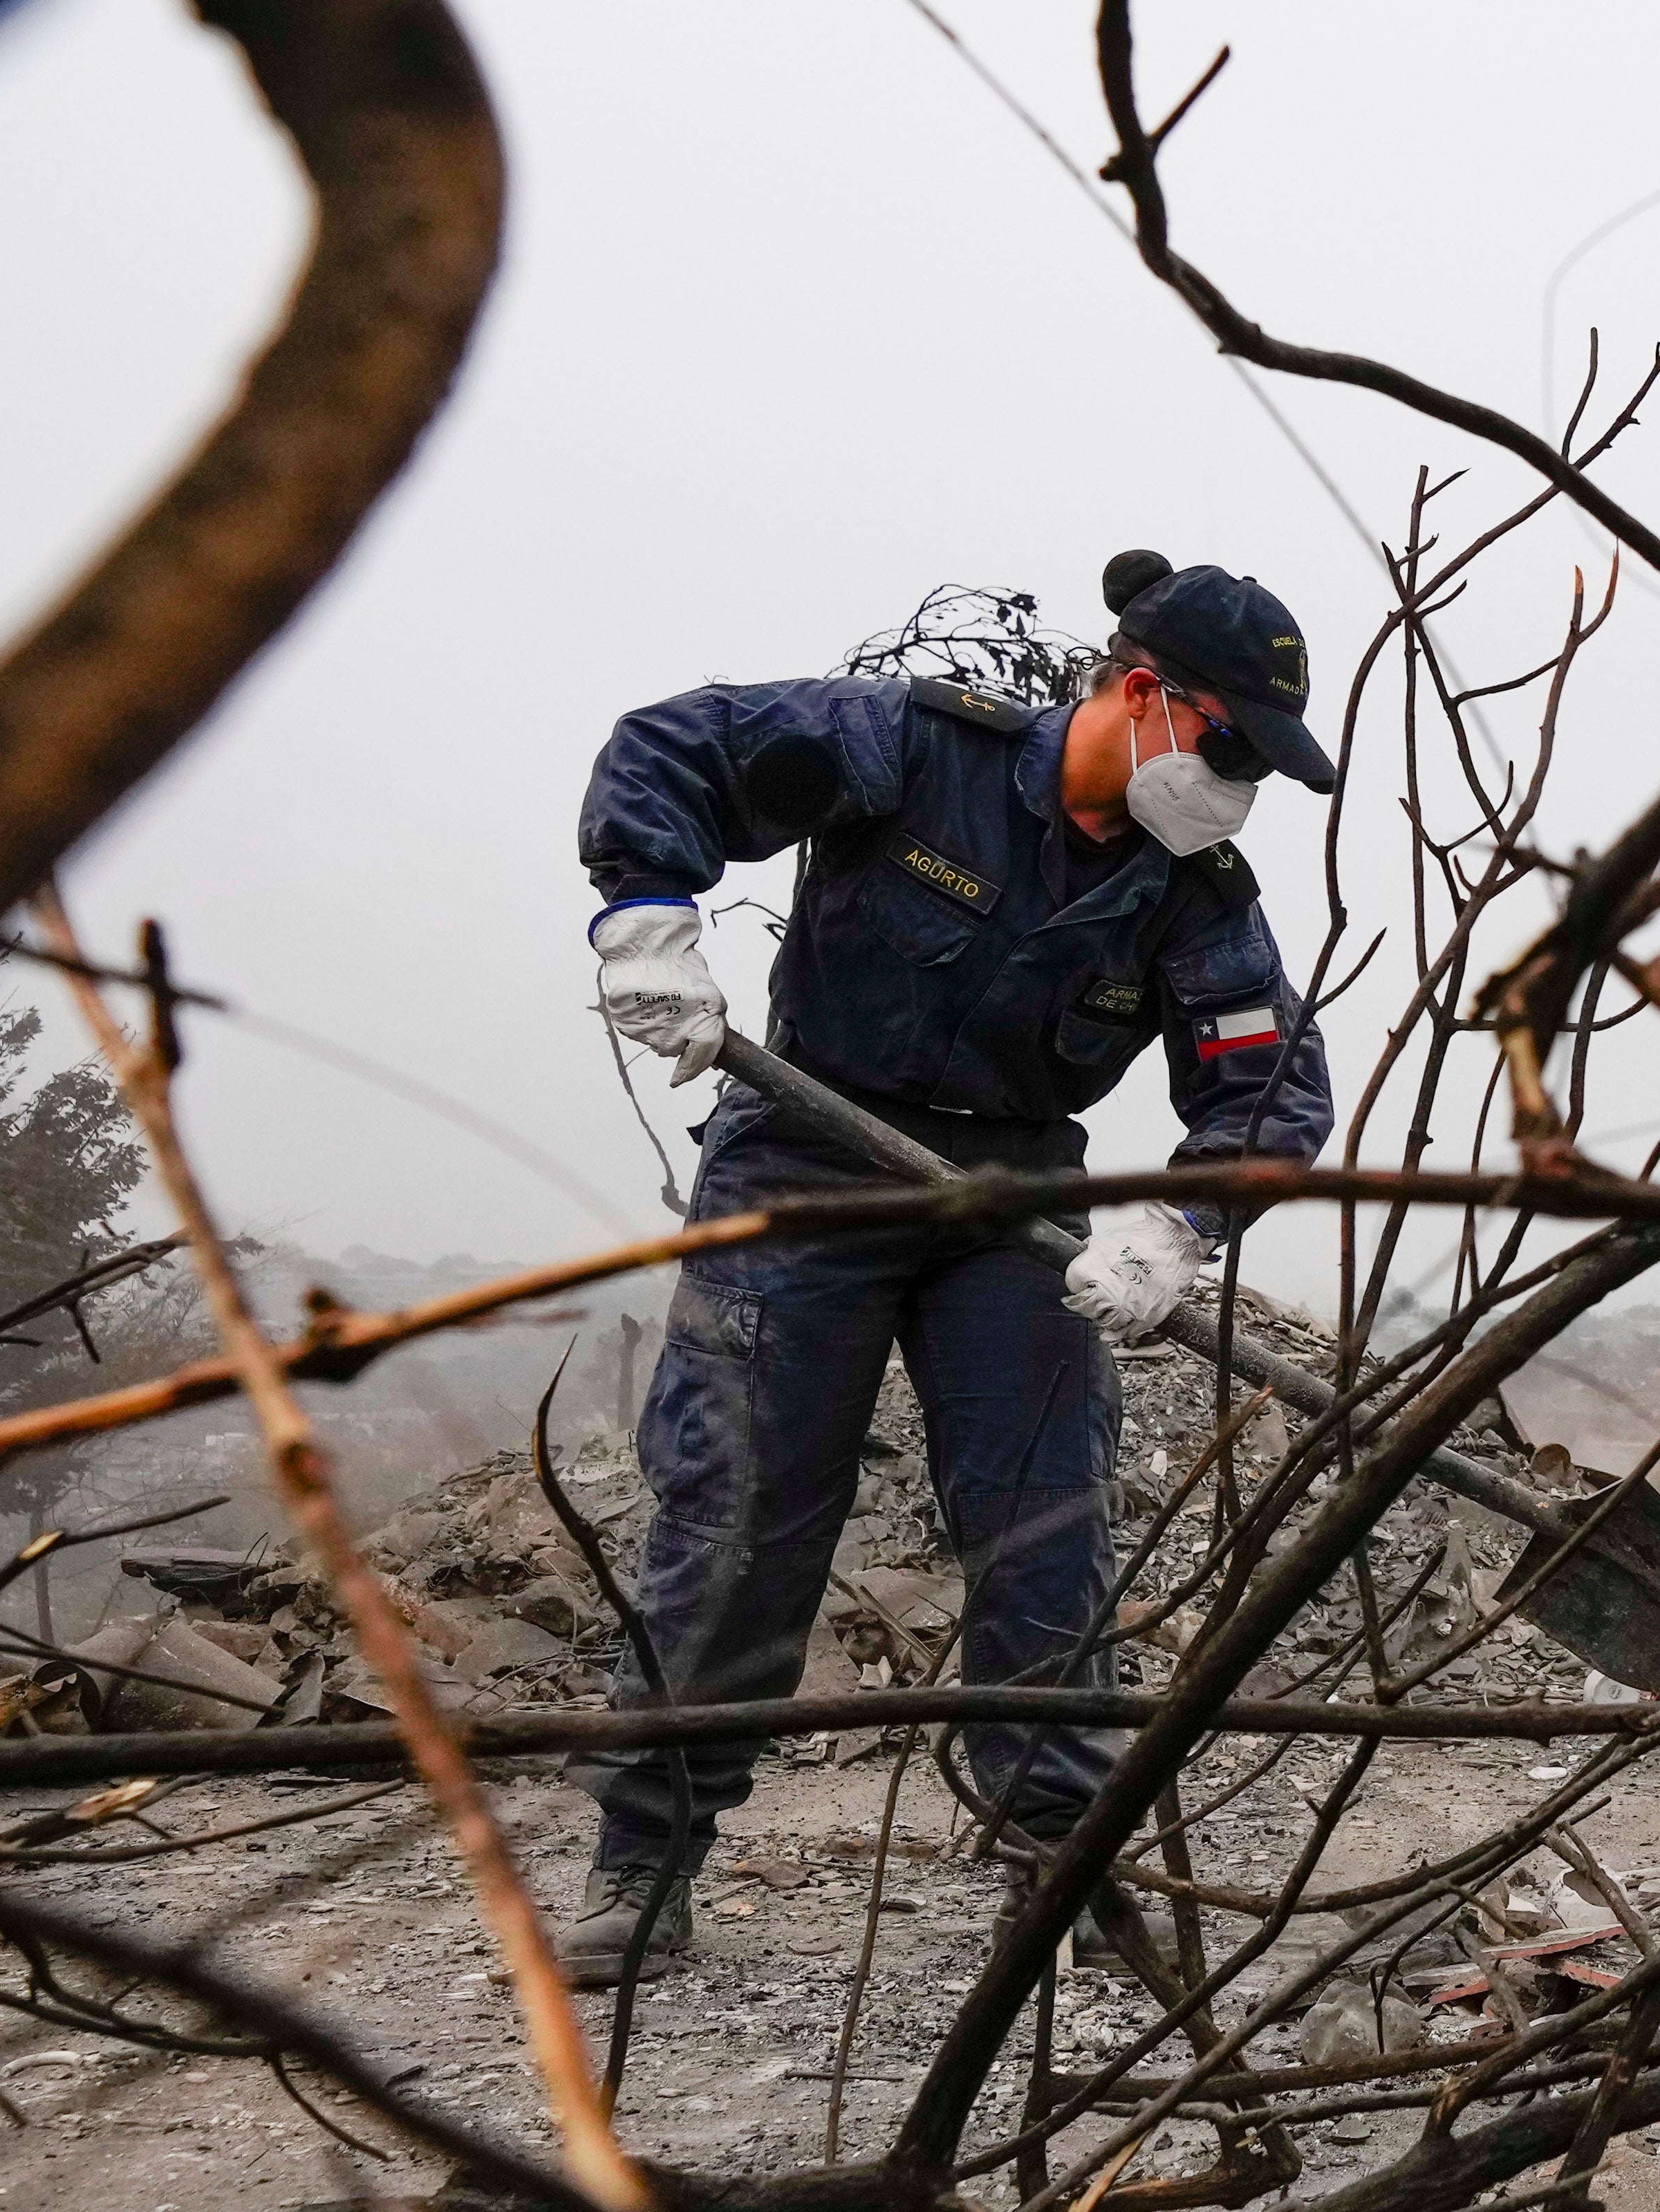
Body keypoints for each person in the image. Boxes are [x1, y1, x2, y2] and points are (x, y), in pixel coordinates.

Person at [557, 552, 1341, 1979]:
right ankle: (645, 1859)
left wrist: (1178, 1228)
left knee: (1046, 1528)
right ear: (1144, 689)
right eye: (1232, 745)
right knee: (741, 1507)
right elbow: (680, 746)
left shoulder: (1196, 892)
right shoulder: (918, 747)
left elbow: (1268, 1085)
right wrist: (646, 914)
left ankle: (1060, 1862)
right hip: (804, 1150)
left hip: (1014, 1195)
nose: (1240, 787)